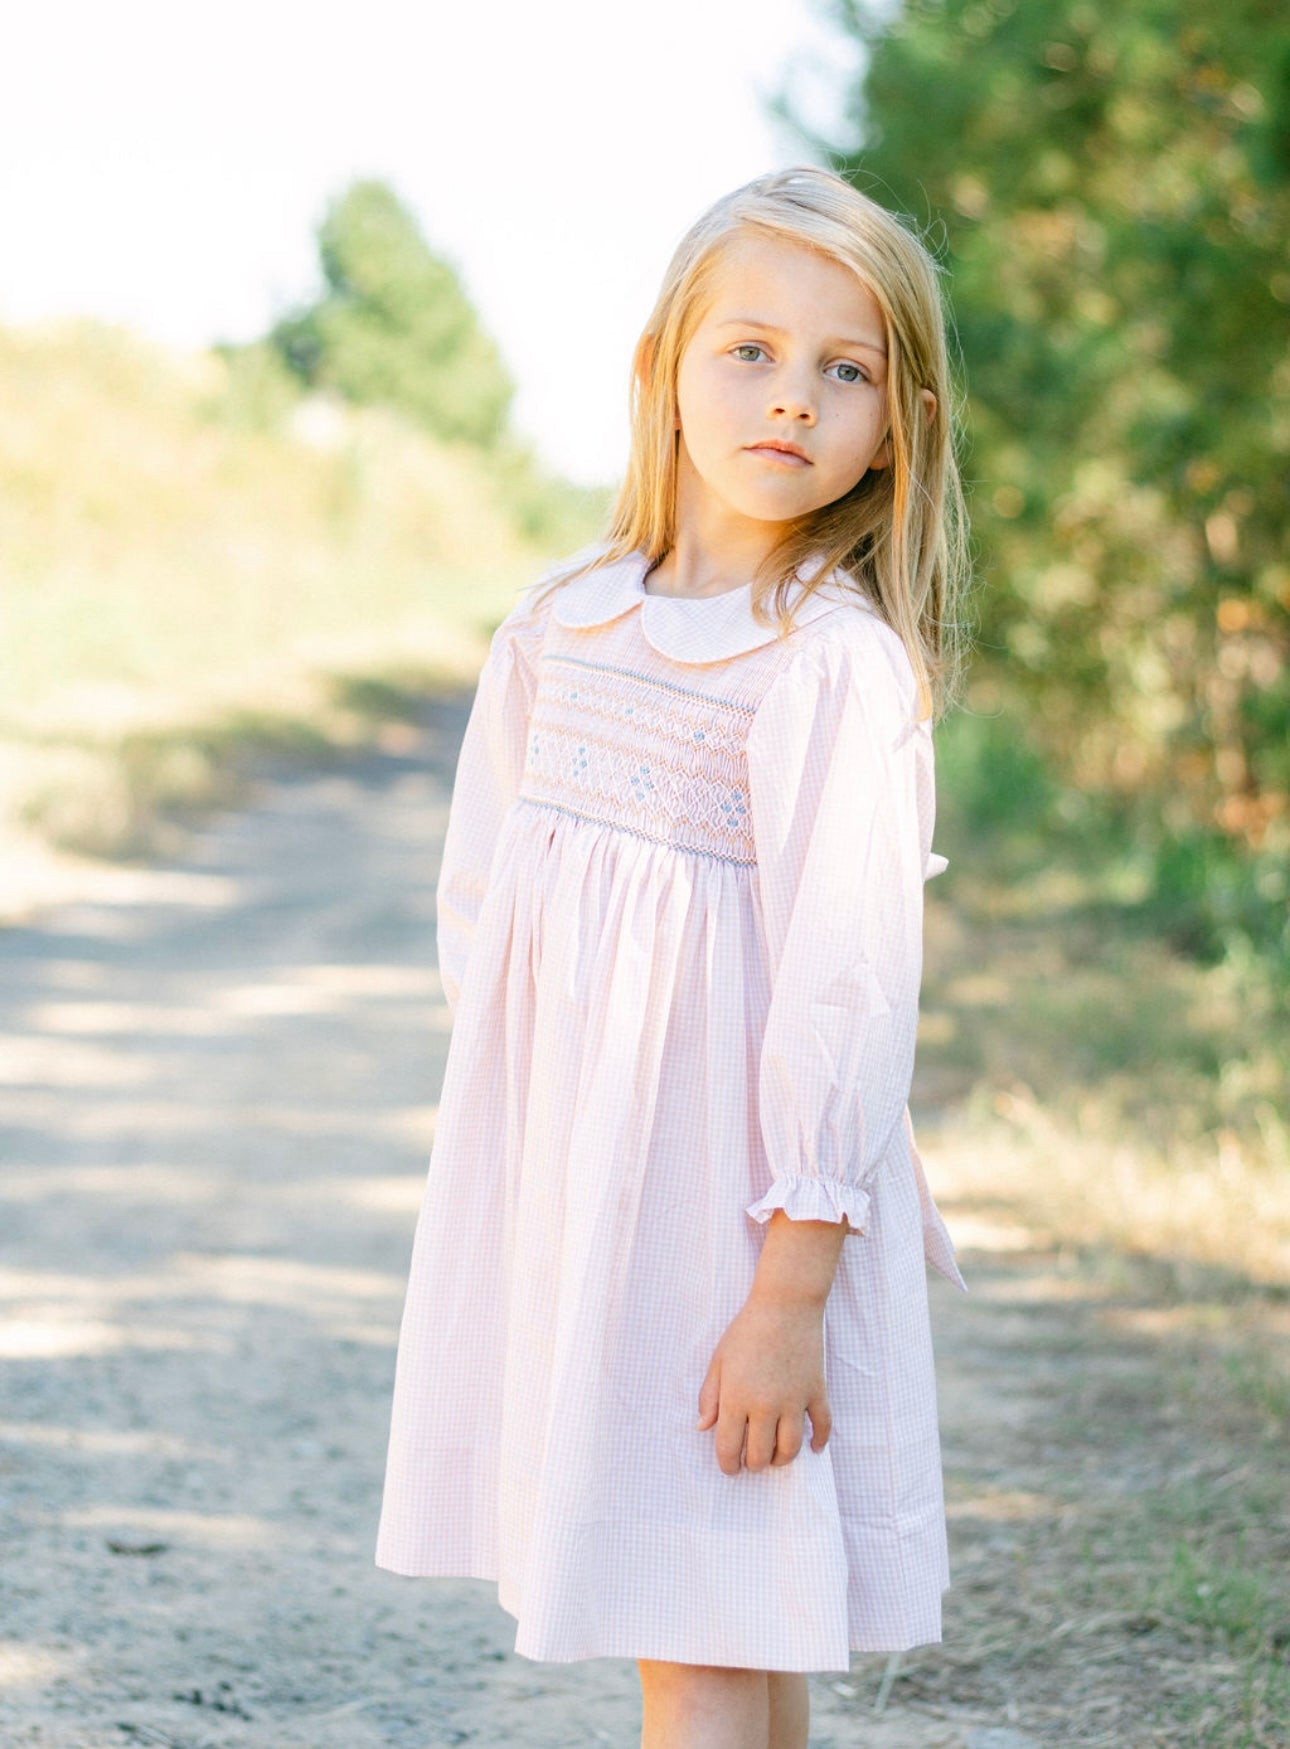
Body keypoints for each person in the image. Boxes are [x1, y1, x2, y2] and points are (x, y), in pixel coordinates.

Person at [375, 164, 972, 1749]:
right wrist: (548, 1155)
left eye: (844, 370)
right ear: (662, 367)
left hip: (741, 1230)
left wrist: (788, 1290)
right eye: (751, 351)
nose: (793, 399)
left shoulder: (827, 667)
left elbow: (845, 996)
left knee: (699, 1634)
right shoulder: (558, 626)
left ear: (894, 422)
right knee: (715, 1623)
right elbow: (484, 913)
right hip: (593, 1209)